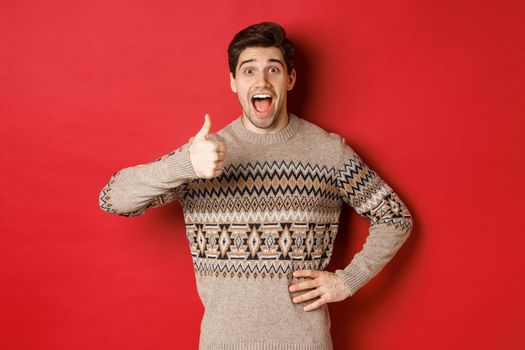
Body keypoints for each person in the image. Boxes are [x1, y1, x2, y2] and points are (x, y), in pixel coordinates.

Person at [99, 21, 413, 350]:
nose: (261, 80)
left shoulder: (328, 152)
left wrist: (348, 280)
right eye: (248, 71)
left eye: (273, 69)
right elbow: (113, 198)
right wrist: (185, 165)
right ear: (233, 82)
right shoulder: (203, 154)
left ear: (289, 79)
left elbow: (395, 217)